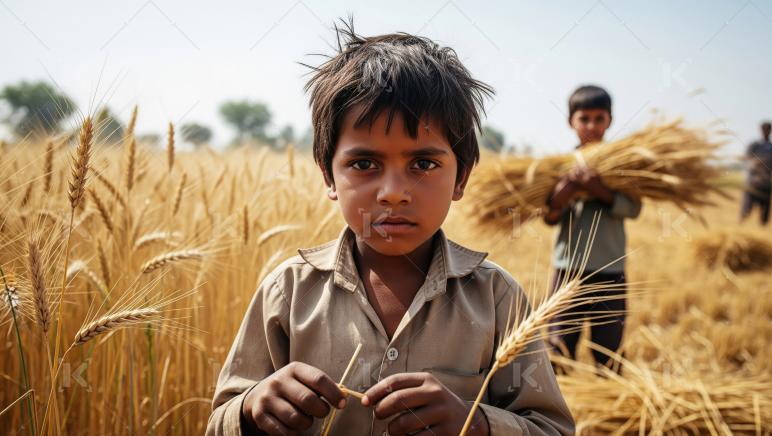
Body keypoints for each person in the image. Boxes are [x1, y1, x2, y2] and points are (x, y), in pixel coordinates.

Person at [206, 21, 574, 436]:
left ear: (461, 178)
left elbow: (552, 428)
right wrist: (252, 409)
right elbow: (220, 420)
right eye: (364, 164)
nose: (394, 193)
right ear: (329, 176)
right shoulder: (287, 292)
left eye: (423, 164)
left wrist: (477, 425)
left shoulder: (495, 297)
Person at [543, 85, 641, 374]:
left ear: (610, 120)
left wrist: (600, 190)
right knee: (558, 350)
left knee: (608, 351)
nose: (591, 126)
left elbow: (634, 208)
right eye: (584, 119)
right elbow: (548, 217)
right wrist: (563, 193)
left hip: (610, 269)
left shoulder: (621, 166)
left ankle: (608, 408)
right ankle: (557, 413)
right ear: (571, 121)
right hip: (567, 270)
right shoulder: (558, 167)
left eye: (599, 119)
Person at [740, 121, 772, 226]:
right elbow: (745, 159)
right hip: (753, 183)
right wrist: (757, 166)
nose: (767, 131)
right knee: (746, 210)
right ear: (761, 130)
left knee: (765, 214)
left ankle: (763, 233)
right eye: (765, 129)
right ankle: (739, 230)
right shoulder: (754, 145)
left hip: (766, 184)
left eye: (769, 129)